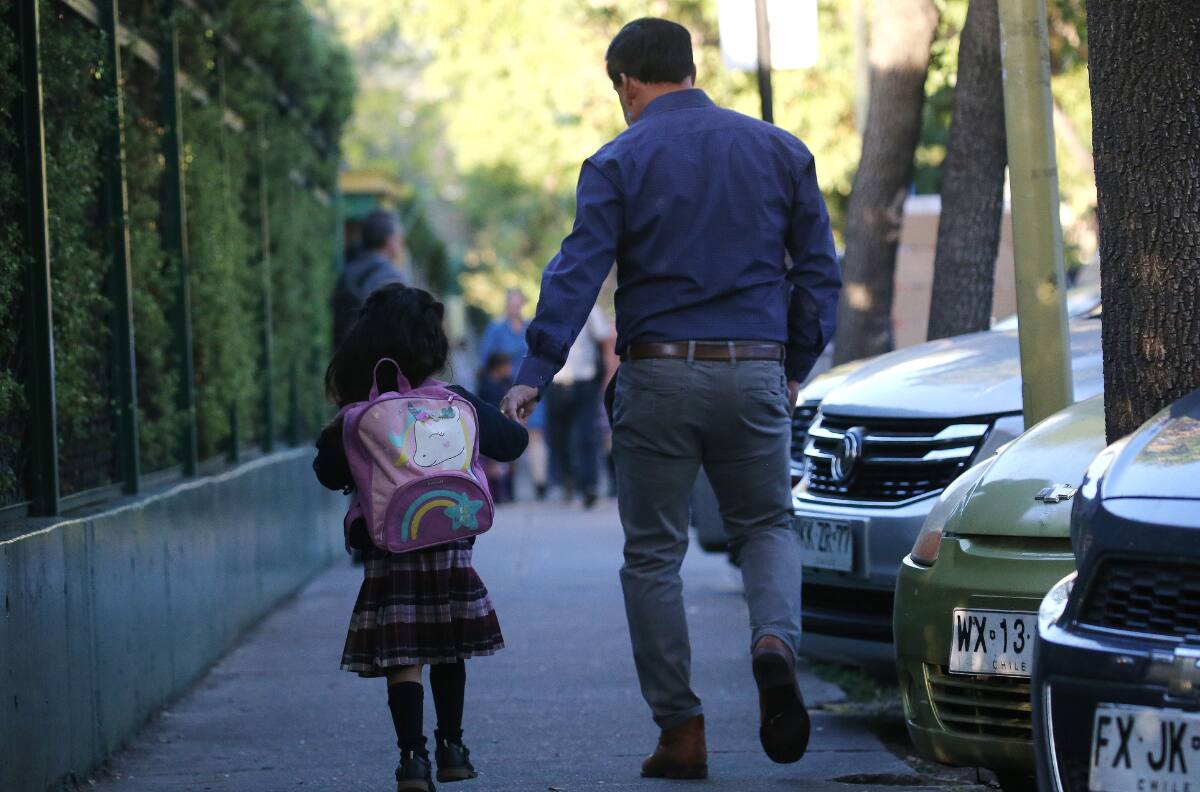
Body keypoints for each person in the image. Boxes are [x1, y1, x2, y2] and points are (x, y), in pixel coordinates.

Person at [501, 17, 841, 779]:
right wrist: (794, 364)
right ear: (689, 69)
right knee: (764, 527)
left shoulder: (618, 159)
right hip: (755, 366)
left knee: (653, 554)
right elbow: (818, 272)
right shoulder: (781, 150)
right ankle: (773, 644)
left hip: (656, 374)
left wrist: (535, 368)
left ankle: (682, 732)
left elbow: (578, 269)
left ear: (627, 82)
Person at [315, 284, 528, 792]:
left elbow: (327, 470)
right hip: (452, 549)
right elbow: (511, 443)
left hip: (390, 552)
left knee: (403, 656)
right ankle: (453, 749)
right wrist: (514, 417)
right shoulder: (455, 402)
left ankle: (413, 760)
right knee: (448, 645)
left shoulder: (358, 417)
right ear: (433, 346)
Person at [479, 289, 550, 499]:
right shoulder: (496, 329)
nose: (515, 308)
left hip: (530, 387)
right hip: (504, 390)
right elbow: (485, 360)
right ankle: (507, 486)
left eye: (518, 304)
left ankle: (540, 482)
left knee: (535, 433)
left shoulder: (530, 328)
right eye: (512, 303)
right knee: (509, 431)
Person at [546, 304, 614, 508]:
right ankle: (566, 480)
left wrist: (608, 375)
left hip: (585, 381)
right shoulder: (549, 309)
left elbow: (605, 341)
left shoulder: (590, 309)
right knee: (559, 437)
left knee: (587, 434)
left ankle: (589, 485)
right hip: (556, 382)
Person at [331, 210, 407, 348]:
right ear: (389, 240)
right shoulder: (390, 276)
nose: (402, 241)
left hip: (345, 354)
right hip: (377, 360)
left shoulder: (349, 269)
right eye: (399, 237)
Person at [476, 352, 517, 503]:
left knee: (511, 461)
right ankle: (496, 493)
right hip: (491, 426)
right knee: (493, 462)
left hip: (506, 424)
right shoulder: (486, 385)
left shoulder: (507, 382)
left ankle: (509, 491)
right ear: (498, 367)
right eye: (507, 366)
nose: (510, 369)